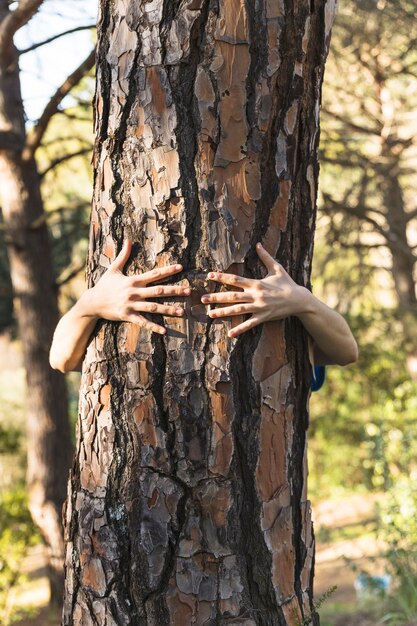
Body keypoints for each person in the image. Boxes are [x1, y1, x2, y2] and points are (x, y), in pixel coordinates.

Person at [49, 240, 358, 377]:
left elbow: (346, 352)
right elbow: (61, 359)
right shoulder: (101, 315)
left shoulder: (290, 330)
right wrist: (89, 304)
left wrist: (303, 301)